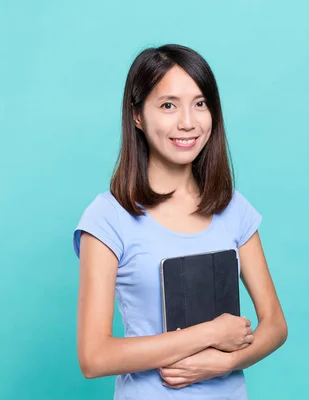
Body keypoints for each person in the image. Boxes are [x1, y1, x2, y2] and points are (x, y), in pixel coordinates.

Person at [72, 44, 288, 399]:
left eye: (200, 103)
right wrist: (209, 335)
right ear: (137, 116)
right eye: (168, 105)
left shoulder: (234, 208)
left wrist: (224, 364)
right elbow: (94, 357)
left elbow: (276, 326)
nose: (187, 122)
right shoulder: (108, 217)